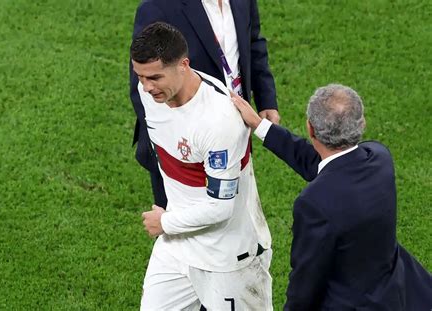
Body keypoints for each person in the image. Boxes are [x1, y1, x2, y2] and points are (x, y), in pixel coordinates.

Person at [231, 84, 432, 310]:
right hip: (398, 294)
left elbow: (306, 282)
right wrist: (260, 126)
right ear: (362, 124)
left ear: (310, 129)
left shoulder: (314, 203)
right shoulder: (378, 157)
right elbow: (324, 164)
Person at [131, 22, 273, 310]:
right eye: (141, 76)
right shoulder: (150, 93)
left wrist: (166, 222)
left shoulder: (218, 121)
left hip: (228, 259)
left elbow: (221, 207)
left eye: (155, 77)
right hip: (177, 248)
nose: (146, 87)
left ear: (183, 65)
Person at [129, 0, 280, 210]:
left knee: (235, 211)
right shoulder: (157, 7)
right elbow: (144, 83)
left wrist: (266, 99)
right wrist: (182, 149)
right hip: (181, 149)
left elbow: (253, 42)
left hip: (234, 125)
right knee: (179, 227)